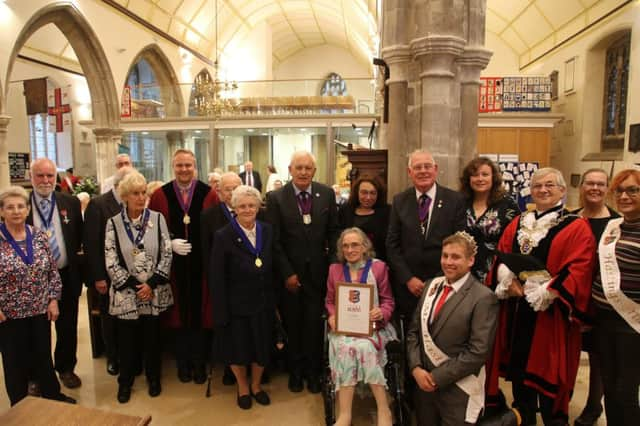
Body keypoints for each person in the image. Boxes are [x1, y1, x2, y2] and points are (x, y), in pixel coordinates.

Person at [485, 167, 595, 425]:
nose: (543, 190)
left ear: (562, 191)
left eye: (549, 185)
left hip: (551, 315)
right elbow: (500, 255)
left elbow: (580, 266)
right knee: (521, 383)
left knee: (549, 384)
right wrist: (507, 280)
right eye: (537, 186)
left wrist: (546, 291)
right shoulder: (518, 222)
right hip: (517, 312)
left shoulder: (576, 226)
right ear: (530, 191)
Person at [266, 150, 340, 394]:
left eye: (308, 168)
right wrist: (287, 273)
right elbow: (274, 242)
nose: (303, 172)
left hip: (319, 274)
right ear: (290, 169)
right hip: (290, 276)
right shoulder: (276, 198)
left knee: (314, 325)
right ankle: (295, 372)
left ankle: (314, 372)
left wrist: (331, 267)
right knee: (293, 324)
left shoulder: (326, 194)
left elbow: (333, 233)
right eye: (298, 167)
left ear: (314, 171)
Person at [406, 231, 498, 425]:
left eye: (455, 257)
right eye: (445, 256)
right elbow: (414, 332)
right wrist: (415, 368)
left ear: (471, 260)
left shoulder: (483, 297)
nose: (448, 262)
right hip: (423, 386)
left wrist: (436, 377)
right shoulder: (431, 285)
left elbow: (478, 352)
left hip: (458, 390)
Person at [0, 186, 75, 406]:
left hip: (40, 309)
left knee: (43, 356)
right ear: (2, 211)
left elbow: (52, 271)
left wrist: (53, 300)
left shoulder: (38, 235)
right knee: (15, 362)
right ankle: (20, 405)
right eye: (10, 207)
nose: (16, 211)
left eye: (20, 206)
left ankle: (52, 396)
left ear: (27, 209)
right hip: (9, 314)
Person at [148, 149, 217, 384]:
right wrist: (169, 242)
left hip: (201, 266)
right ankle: (182, 364)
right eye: (179, 166)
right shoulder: (160, 195)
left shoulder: (209, 194)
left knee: (198, 315)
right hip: (173, 268)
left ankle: (199, 364)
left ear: (195, 166)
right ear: (173, 167)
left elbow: (216, 231)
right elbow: (152, 231)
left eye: (188, 165)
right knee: (178, 317)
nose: (184, 169)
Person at [104, 172, 173, 403]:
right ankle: (125, 383)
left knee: (152, 340)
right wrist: (135, 285)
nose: (141, 197)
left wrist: (151, 284)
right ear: (125, 196)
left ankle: (154, 378)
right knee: (127, 342)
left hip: (152, 292)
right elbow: (110, 258)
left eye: (144, 192)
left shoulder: (157, 219)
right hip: (127, 294)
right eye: (135, 193)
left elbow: (167, 252)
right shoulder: (113, 222)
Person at [210, 185, 275, 409]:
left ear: (258, 207)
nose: (248, 210)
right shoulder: (223, 235)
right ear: (234, 208)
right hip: (236, 304)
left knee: (261, 347)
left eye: (251, 205)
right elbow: (216, 276)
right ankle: (243, 387)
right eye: (242, 206)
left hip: (263, 301)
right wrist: (219, 310)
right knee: (238, 349)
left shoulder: (267, 230)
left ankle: (256, 386)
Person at [325, 228, 396, 426]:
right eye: (345, 246)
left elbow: (388, 301)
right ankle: (345, 413)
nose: (350, 249)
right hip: (344, 329)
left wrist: (381, 312)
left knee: (363, 347)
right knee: (347, 349)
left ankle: (383, 409)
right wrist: (332, 315)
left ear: (365, 247)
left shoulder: (379, 268)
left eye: (355, 244)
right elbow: (330, 301)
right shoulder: (335, 270)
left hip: (372, 327)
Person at [386, 149, 466, 317]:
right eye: (417, 167)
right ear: (410, 172)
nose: (423, 171)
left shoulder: (455, 200)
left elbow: (460, 244)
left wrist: (437, 281)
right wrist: (408, 278)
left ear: (435, 169)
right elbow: (392, 245)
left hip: (444, 283)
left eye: (427, 166)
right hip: (408, 287)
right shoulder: (399, 201)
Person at [27, 159, 84, 390]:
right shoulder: (21, 204)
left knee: (67, 327)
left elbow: (79, 238)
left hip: (66, 275)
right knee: (37, 330)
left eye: (50, 175)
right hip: (33, 281)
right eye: (40, 176)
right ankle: (38, 374)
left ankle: (66, 368)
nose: (45, 180)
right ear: (31, 177)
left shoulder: (69, 202)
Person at [592, 169, 640, 426]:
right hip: (605, 320)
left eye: (633, 190)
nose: (624, 196)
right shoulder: (614, 226)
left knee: (626, 391)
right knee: (609, 388)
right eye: (619, 190)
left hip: (633, 324)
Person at [572, 168, 619, 426]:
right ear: (581, 187)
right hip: (572, 296)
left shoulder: (617, 223)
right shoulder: (568, 218)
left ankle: (592, 407)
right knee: (568, 352)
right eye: (590, 183)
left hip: (602, 300)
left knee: (599, 356)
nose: (595, 188)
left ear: (607, 188)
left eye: (600, 184)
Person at [84, 165, 136, 375]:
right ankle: (113, 357)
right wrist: (98, 277)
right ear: (119, 185)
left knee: (129, 316)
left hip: (131, 272)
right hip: (107, 275)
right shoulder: (99, 205)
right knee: (110, 317)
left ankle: (131, 355)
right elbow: (91, 244)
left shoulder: (131, 203)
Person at [201, 172, 242, 385]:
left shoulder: (254, 212)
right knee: (227, 326)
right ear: (219, 192)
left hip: (246, 283)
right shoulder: (209, 216)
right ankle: (229, 368)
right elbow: (206, 252)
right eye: (229, 189)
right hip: (223, 283)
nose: (233, 193)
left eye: (237, 187)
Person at [460, 157, 519, 284]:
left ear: (494, 178)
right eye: (475, 175)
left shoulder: (507, 204)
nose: (480, 179)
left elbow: (515, 239)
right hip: (462, 271)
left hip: (495, 272)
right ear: (468, 179)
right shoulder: (459, 203)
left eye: (485, 174)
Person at [338, 177, 390, 261]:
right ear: (356, 193)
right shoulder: (345, 211)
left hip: (378, 264)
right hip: (349, 263)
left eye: (373, 193)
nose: (368, 197)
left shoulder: (388, 212)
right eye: (364, 192)